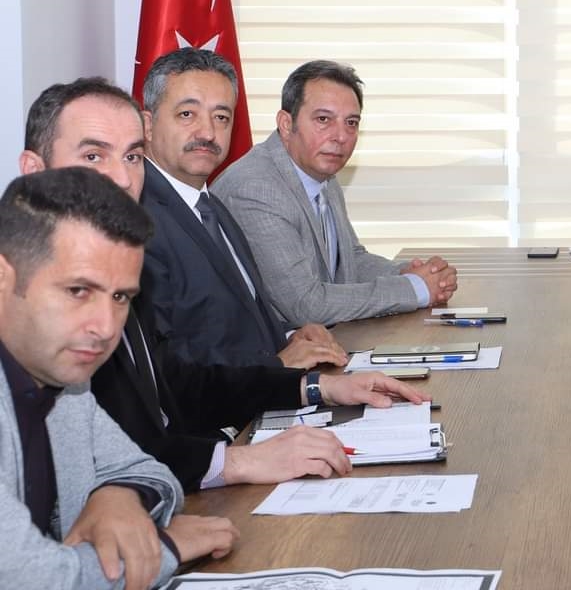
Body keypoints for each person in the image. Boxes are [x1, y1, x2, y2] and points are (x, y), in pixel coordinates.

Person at [19, 79, 428, 493]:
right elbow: (103, 466)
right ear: (33, 170)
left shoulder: (116, 265)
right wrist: (236, 462)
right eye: (93, 156)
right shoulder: (27, 301)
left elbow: (174, 384)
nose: (123, 178)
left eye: (132, 156)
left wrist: (317, 387)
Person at [0, 167, 238, 590]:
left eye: (120, 297)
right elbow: (32, 579)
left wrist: (117, 496)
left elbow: (149, 470)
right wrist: (168, 548)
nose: (106, 327)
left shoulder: (65, 381)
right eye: (78, 291)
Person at [137, 49, 345, 369]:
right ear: (148, 125)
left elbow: (230, 328)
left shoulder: (212, 208)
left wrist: (290, 338)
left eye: (221, 117)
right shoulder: (138, 222)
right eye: (187, 114)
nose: (208, 133)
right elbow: (171, 365)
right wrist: (277, 367)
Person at [213, 60, 457, 326]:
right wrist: (414, 289)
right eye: (323, 119)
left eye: (351, 122)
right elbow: (306, 305)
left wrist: (409, 274)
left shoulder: (321, 173)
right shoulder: (256, 189)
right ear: (286, 123)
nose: (341, 136)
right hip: (272, 348)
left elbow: (349, 260)